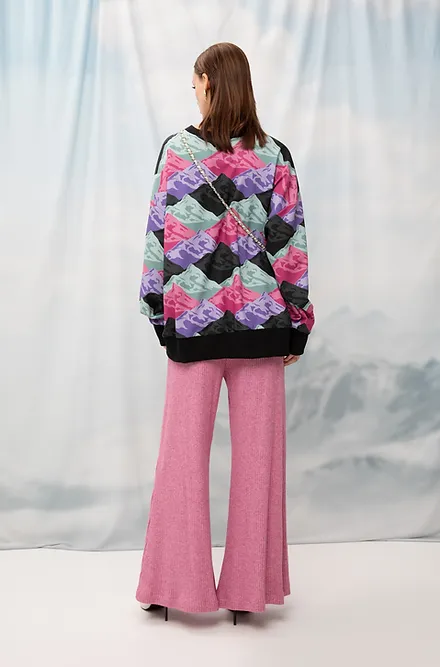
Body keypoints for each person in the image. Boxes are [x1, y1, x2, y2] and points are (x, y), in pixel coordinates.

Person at [136, 42, 314, 625]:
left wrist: (160, 313)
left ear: (209, 82)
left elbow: (158, 238)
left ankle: (174, 586)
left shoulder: (177, 152)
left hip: (193, 327)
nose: (193, 90)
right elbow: (290, 244)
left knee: (180, 460)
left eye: (195, 81)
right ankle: (246, 593)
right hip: (263, 325)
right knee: (259, 463)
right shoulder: (275, 156)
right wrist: (296, 322)